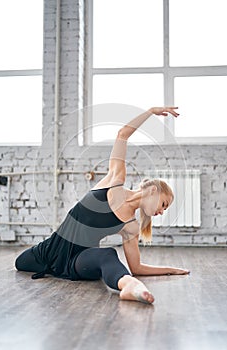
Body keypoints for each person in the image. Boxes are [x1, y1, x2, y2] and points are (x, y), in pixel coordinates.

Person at [15, 107, 189, 305]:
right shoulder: (115, 181)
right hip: (52, 249)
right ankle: (61, 269)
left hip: (79, 260)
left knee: (107, 254)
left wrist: (171, 269)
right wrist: (150, 112)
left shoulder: (131, 226)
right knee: (20, 263)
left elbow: (137, 268)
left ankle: (130, 287)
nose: (162, 211)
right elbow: (123, 134)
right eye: (164, 204)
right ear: (153, 191)